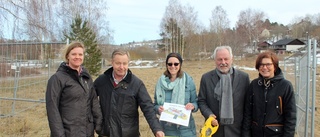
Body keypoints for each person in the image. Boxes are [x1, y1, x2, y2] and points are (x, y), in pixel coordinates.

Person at [93, 49, 165, 137]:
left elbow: (148, 108)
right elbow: (89, 100)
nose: (121, 67)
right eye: (118, 63)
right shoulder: (101, 81)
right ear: (112, 62)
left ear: (128, 63)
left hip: (129, 134)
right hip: (106, 133)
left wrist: (157, 129)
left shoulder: (137, 84)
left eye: (124, 63)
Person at [46, 41, 102, 137]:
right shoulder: (57, 78)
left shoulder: (86, 77)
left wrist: (99, 125)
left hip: (87, 131)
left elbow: (93, 101)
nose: (77, 57)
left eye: (80, 54)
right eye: (74, 54)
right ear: (68, 56)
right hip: (68, 132)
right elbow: (52, 109)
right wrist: (59, 134)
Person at [197, 46, 250, 137]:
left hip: (237, 131)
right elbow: (202, 101)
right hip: (214, 130)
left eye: (226, 59)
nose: (223, 62)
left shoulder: (243, 77)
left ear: (232, 59)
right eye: (219, 59)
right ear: (215, 60)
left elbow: (248, 105)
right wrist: (209, 115)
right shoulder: (206, 78)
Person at [242, 51, 296, 137]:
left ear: (274, 66)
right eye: (261, 65)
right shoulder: (254, 85)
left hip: (276, 134)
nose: (264, 67)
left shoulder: (285, 86)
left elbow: (290, 117)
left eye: (268, 64)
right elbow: (248, 113)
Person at [154, 53, 198, 137]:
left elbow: (195, 102)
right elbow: (155, 105)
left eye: (176, 64)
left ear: (180, 64)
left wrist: (193, 106)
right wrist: (158, 109)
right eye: (170, 64)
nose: (173, 66)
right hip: (166, 130)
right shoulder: (160, 83)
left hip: (186, 130)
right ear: (166, 65)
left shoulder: (188, 81)